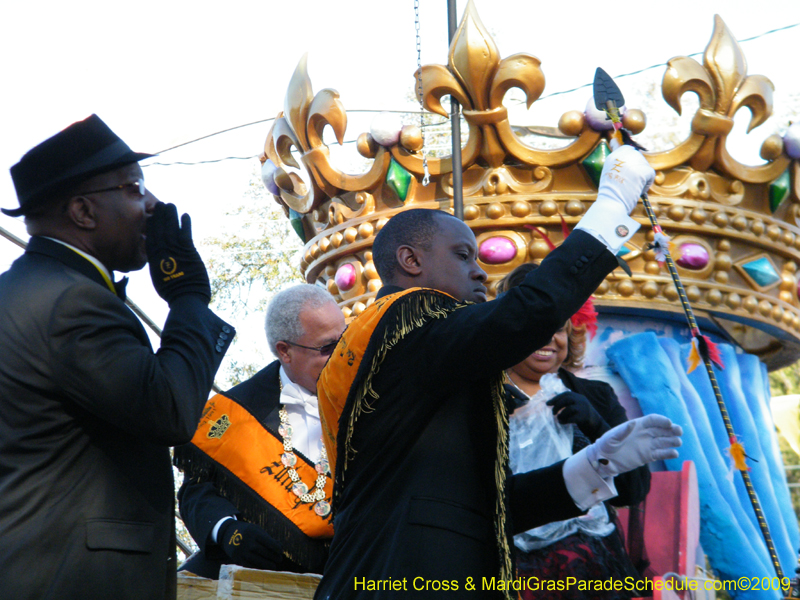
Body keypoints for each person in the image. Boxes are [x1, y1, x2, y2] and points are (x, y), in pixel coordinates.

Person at [314, 145, 682, 600]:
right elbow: (526, 313)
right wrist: (611, 205)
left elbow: (475, 509)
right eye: (464, 256)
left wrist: (591, 467)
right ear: (411, 262)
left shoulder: (404, 358)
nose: (480, 273)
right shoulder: (407, 317)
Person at [0, 114, 234, 600]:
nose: (153, 204)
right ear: (83, 212)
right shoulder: (71, 302)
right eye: (133, 188)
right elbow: (169, 409)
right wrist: (189, 298)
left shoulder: (27, 289)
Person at [499, 262, 650, 599]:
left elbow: (633, 491)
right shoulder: (476, 398)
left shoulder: (595, 396)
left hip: (595, 572)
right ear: (506, 329)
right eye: (534, 325)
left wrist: (597, 428)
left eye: (558, 326)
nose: (548, 338)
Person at [175, 284, 346, 578]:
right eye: (327, 348)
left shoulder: (376, 389)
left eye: (346, 340)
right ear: (285, 351)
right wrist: (227, 530)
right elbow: (197, 491)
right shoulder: (233, 413)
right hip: (269, 576)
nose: (344, 355)